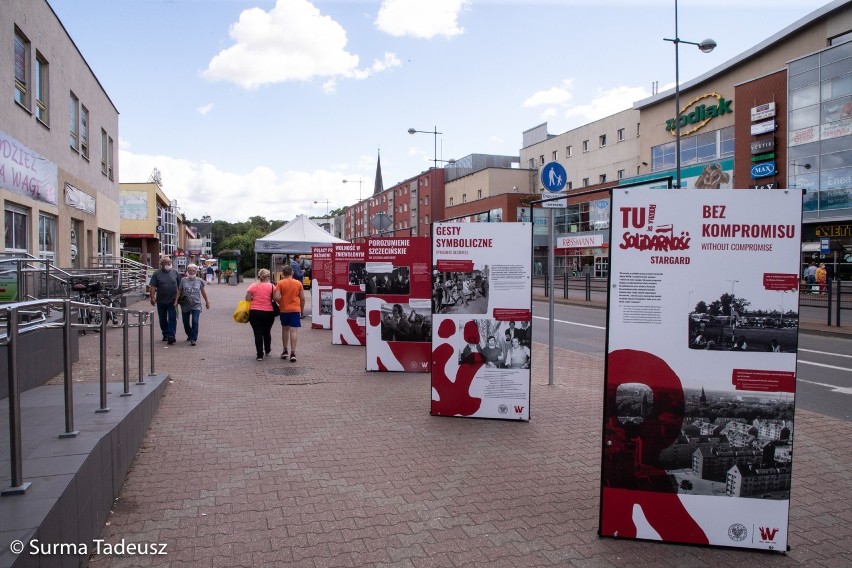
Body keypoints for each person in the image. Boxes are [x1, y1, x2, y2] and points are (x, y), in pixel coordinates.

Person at [274, 264, 306, 362]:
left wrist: (281, 303)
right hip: (295, 309)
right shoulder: (298, 283)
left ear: (283, 274)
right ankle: (293, 352)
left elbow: (275, 297)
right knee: (294, 331)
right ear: (292, 273)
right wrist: (302, 309)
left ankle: (285, 350)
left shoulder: (280, 283)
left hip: (284, 310)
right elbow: (303, 298)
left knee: (285, 330)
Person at [245, 268, 276, 361]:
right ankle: (267, 349)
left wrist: (255, 298)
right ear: (267, 277)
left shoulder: (253, 286)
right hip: (268, 312)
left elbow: (247, 298)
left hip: (254, 312)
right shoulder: (272, 286)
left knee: (257, 333)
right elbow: (275, 298)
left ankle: (259, 354)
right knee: (267, 332)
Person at [175, 263, 210, 346]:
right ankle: (190, 334)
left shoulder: (199, 280)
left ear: (196, 271)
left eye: (193, 270)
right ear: (187, 271)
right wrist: (176, 301)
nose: (191, 272)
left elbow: (203, 292)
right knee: (186, 322)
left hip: (196, 304)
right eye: (190, 270)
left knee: (195, 321)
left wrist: (207, 302)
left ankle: (193, 339)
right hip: (185, 304)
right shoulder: (183, 280)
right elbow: (179, 291)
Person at [149, 256, 180, 345]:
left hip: (173, 300)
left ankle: (171, 335)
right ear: (161, 264)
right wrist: (152, 297)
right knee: (162, 319)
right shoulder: (157, 274)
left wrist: (179, 299)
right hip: (161, 300)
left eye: (169, 262)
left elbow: (180, 286)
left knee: (172, 318)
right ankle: (165, 333)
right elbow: (153, 286)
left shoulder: (175, 273)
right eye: (166, 263)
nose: (169, 264)